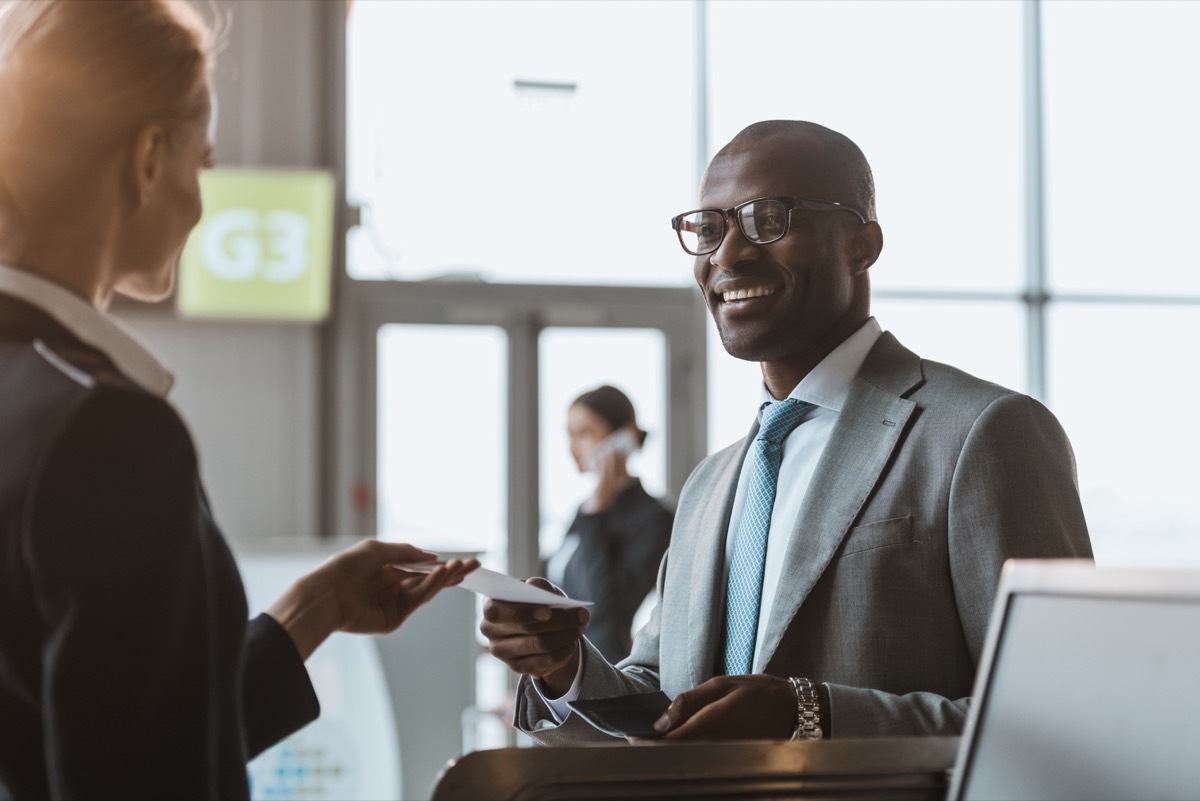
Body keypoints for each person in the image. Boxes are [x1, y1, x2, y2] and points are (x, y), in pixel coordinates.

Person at [480, 119, 1092, 744]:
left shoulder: (984, 433)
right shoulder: (709, 486)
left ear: (862, 244)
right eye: (709, 229)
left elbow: (1063, 715)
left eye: (767, 219)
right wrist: (564, 667)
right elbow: (662, 705)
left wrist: (811, 716)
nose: (728, 254)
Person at [0, 2, 477, 798]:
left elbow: (97, 731)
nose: (201, 201)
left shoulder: (31, 395)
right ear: (149, 158)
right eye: (205, 163)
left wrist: (312, 609)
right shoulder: (109, 432)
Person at [543, 385, 673, 662]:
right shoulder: (586, 510)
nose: (573, 447)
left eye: (585, 433)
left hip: (605, 666)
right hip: (561, 663)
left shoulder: (654, 517)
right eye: (570, 435)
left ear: (622, 437)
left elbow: (603, 607)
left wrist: (598, 510)